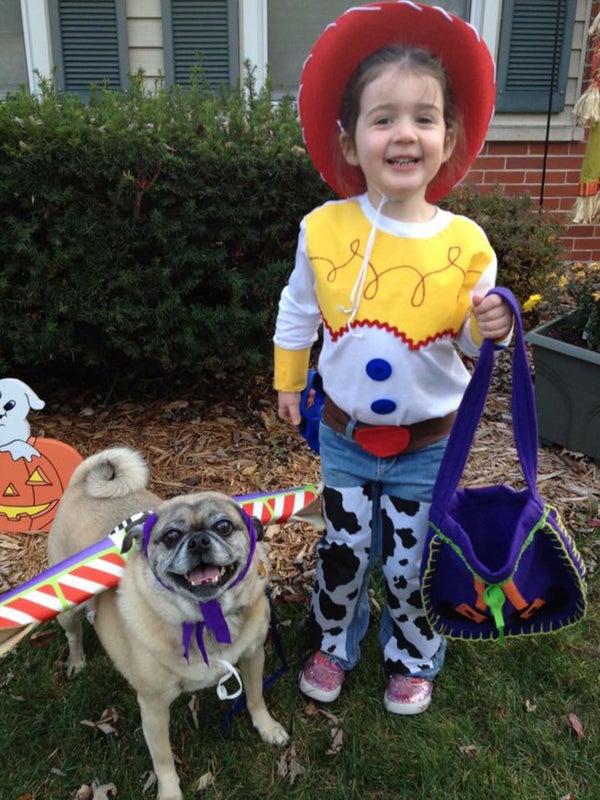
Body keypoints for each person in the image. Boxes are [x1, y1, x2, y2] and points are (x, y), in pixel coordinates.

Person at [273, 2, 513, 715]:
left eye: (423, 117)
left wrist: (488, 326)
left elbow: (468, 345)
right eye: (383, 119)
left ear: (448, 138)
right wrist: (290, 379)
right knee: (344, 554)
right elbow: (298, 309)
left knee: (409, 562)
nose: (403, 133)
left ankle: (413, 651)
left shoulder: (466, 244)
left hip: (426, 449)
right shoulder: (325, 228)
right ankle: (335, 640)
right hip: (345, 439)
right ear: (351, 143)